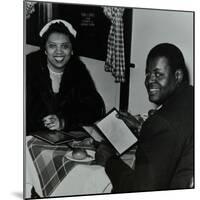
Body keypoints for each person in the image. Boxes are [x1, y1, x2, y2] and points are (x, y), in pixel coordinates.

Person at [95, 43, 194, 192]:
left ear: (178, 76)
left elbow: (140, 189)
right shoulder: (191, 96)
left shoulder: (161, 122)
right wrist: (141, 127)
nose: (149, 80)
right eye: (148, 74)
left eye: (158, 74)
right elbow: (176, 137)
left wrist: (109, 160)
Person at [26, 19, 105, 134]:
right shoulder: (28, 67)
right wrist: (47, 122)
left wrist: (63, 121)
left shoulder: (78, 69)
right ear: (45, 50)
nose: (59, 52)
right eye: (52, 46)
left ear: (72, 50)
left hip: (65, 136)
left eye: (65, 46)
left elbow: (94, 109)